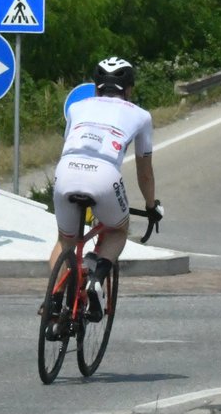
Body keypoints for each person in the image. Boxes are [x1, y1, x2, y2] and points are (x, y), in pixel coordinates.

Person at [44, 57, 159, 325]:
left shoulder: (76, 107)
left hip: (67, 169)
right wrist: (151, 205)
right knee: (118, 230)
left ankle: (54, 300)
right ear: (129, 89)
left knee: (65, 240)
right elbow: (145, 172)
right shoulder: (141, 116)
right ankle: (96, 275)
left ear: (96, 87)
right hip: (104, 175)